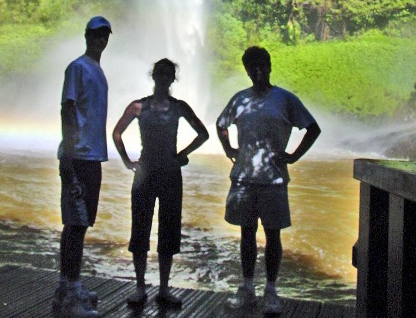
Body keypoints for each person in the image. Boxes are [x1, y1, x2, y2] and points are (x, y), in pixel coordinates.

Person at [216, 46, 321, 314]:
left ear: (270, 66)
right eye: (252, 66)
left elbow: (313, 128)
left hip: (273, 179)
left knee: (273, 235)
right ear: (247, 70)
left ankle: (271, 291)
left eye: (261, 64)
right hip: (244, 178)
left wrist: (294, 156)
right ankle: (247, 287)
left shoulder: (285, 99)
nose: (257, 70)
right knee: (246, 234)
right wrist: (228, 149)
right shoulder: (240, 99)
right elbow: (221, 124)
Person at [113, 58, 209, 308]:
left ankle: (164, 288)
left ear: (172, 78)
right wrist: (127, 161)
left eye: (168, 74)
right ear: (153, 76)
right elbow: (116, 132)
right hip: (145, 174)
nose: (164, 78)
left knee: (169, 231)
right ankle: (140, 287)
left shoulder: (179, 107)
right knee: (140, 229)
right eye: (160, 73)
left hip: (169, 175)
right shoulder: (138, 106)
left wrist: (182, 155)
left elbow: (204, 134)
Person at [52, 16, 112, 318]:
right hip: (79, 157)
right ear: (87, 36)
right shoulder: (77, 67)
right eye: (96, 34)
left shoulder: (98, 71)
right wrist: (68, 155)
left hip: (93, 157)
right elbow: (67, 108)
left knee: (80, 223)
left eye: (105, 35)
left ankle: (67, 288)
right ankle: (71, 296)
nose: (101, 39)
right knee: (75, 224)